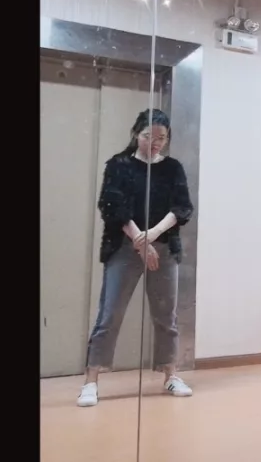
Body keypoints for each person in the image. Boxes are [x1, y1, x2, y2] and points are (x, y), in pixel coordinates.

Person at [77, 109, 194, 407]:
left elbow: (182, 208)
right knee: (110, 313)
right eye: (147, 136)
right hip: (123, 246)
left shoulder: (173, 168)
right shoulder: (119, 165)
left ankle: (170, 374)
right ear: (136, 133)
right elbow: (112, 206)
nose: (155, 143)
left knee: (166, 316)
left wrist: (153, 234)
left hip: (164, 247)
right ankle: (91, 381)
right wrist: (140, 240)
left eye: (161, 138)